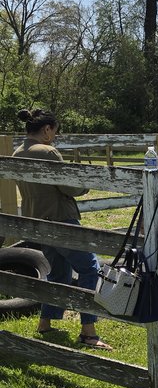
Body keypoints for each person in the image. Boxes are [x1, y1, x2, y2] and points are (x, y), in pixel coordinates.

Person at [12, 109, 112, 350]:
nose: (55, 137)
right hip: (60, 219)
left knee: (58, 274)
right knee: (90, 269)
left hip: (37, 222)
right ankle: (88, 332)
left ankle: (45, 323)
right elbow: (68, 187)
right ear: (47, 129)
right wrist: (85, 183)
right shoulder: (47, 152)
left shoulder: (18, 152)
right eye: (55, 132)